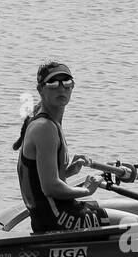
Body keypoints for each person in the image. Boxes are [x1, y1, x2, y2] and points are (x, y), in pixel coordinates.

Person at [12, 61, 109, 232]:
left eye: (66, 82)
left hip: (59, 212)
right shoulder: (45, 128)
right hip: (57, 219)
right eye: (53, 83)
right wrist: (87, 190)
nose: (61, 88)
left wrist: (69, 170)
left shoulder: (46, 121)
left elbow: (40, 178)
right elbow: (50, 188)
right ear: (40, 89)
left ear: (72, 87)